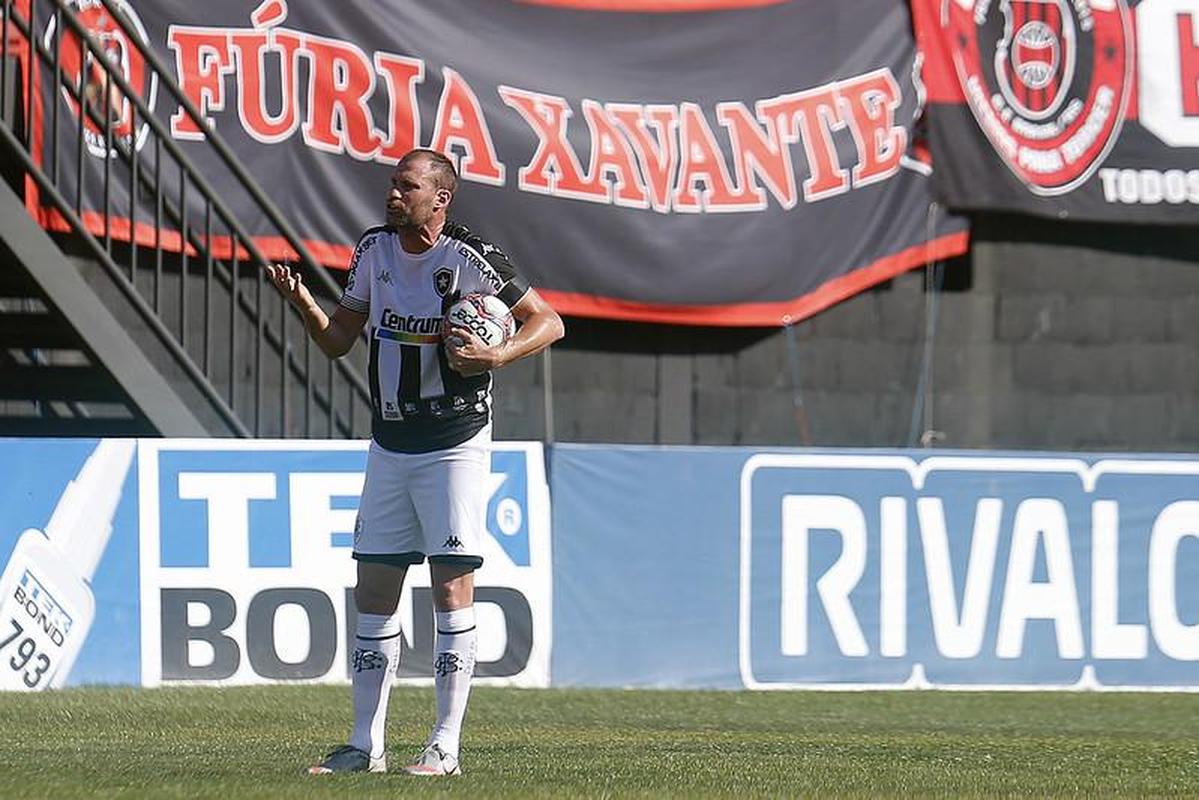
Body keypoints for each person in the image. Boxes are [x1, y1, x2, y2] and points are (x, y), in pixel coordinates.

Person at [267, 148, 564, 777]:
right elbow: (337, 342)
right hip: (390, 444)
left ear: (441, 197)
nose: (393, 195)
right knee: (373, 592)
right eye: (392, 185)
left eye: (407, 187)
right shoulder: (373, 249)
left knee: (451, 590)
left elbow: (549, 321)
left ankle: (444, 746)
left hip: (454, 443)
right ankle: (362, 745)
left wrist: (495, 356)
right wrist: (303, 303)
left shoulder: (470, 257)